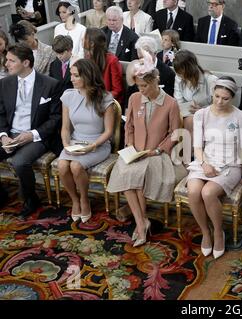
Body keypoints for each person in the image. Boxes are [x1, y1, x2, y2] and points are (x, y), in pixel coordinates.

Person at [107, 52, 182, 247]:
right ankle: (142, 222)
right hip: (135, 151)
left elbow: (175, 133)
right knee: (129, 177)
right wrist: (130, 145)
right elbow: (129, 125)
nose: (141, 90)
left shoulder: (170, 103)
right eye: (138, 86)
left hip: (157, 154)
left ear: (155, 82)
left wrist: (158, 150)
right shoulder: (134, 98)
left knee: (136, 180)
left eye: (144, 86)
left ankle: (141, 224)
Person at [186, 76, 242, 259]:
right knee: (193, 191)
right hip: (204, 160)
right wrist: (204, 163)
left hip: (229, 164)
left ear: (232, 98)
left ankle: (218, 232)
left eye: (225, 98)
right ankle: (205, 233)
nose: (219, 101)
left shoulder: (241, 117)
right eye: (216, 96)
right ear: (213, 93)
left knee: (208, 193)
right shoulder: (202, 114)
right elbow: (197, 147)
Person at [0, 44, 61, 213]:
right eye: (7, 60)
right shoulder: (5, 83)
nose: (6, 64)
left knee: (20, 162)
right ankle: (2, 194)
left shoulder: (50, 84)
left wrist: (32, 134)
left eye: (11, 61)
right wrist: (4, 135)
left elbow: (56, 118)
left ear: (26, 62)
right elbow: (1, 113)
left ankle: (30, 199)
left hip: (37, 136)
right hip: (10, 134)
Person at [57, 59, 115, 223]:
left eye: (76, 76)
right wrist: (66, 145)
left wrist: (93, 146)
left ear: (87, 76)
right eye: (71, 75)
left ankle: (84, 199)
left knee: (75, 166)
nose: (72, 79)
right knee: (62, 166)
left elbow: (109, 131)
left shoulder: (105, 98)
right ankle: (74, 200)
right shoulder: (68, 96)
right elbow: (66, 128)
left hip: (98, 143)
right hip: (75, 141)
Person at [173, 49, 217, 137]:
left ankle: (191, 149)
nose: (180, 76)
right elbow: (178, 101)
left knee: (191, 120)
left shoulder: (211, 80)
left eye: (182, 73)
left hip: (208, 115)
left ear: (190, 68)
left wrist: (202, 110)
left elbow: (218, 106)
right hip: (185, 113)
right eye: (178, 73)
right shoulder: (179, 78)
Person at [125, 36, 175, 105]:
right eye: (140, 57)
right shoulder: (135, 68)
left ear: (155, 53)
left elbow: (169, 99)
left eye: (145, 57)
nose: (142, 60)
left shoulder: (167, 73)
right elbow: (129, 96)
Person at [84, 27, 123, 105]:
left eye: (84, 37)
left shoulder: (112, 60)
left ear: (92, 44)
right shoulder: (86, 58)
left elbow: (117, 90)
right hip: (89, 100)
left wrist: (101, 98)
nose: (82, 39)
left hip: (106, 103)